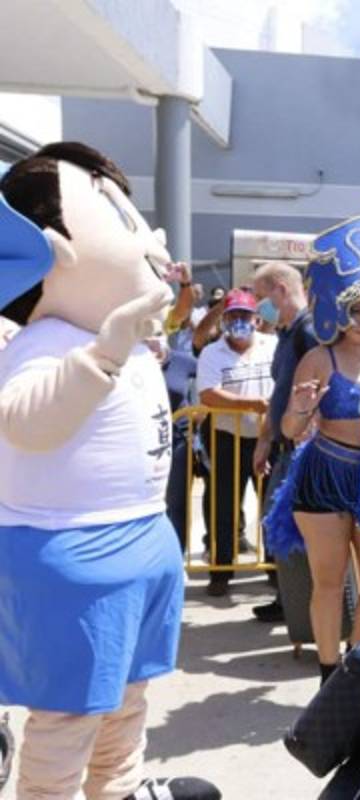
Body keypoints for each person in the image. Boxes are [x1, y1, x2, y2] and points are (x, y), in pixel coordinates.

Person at [0, 142, 218, 800]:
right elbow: (25, 419)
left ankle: (118, 791)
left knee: (126, 706)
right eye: (121, 217)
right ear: (58, 251)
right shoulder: (48, 343)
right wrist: (104, 353)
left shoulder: (123, 338)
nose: (150, 235)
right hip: (73, 548)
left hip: (140, 543)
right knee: (68, 719)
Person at [264, 216, 360, 685]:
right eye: (357, 311)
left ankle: (357, 665)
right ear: (341, 309)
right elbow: (293, 431)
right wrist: (301, 406)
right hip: (325, 473)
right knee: (329, 583)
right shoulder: (319, 357)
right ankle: (328, 675)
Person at [249, 261, 319, 623]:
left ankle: (301, 605)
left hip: (301, 451)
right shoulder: (288, 334)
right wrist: (265, 439)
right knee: (278, 527)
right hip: (284, 447)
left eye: (261, 296)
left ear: (280, 289)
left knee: (293, 531)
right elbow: (279, 393)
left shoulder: (309, 332)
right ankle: (290, 600)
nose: (258, 305)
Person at [195, 289, 277, 597]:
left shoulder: (273, 345)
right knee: (223, 505)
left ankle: (274, 566)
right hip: (225, 438)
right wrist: (253, 404)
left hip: (267, 438)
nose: (239, 322)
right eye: (233, 317)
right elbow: (208, 394)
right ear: (224, 320)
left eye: (245, 316)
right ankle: (221, 570)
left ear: (256, 319)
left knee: (271, 503)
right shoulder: (212, 353)